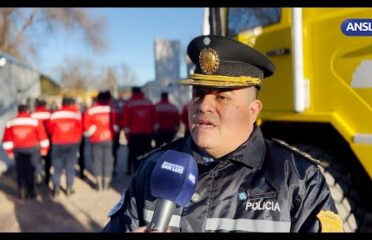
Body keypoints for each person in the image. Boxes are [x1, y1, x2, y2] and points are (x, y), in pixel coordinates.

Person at [103, 35, 342, 232]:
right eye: (198, 94)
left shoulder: (298, 180)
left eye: (222, 97)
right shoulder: (153, 167)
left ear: (253, 111)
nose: (203, 106)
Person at [2, 104, 49, 200]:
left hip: (18, 149)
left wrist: (9, 152)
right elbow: (43, 137)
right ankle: (30, 191)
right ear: (28, 111)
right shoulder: (35, 122)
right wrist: (44, 149)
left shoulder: (11, 122)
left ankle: (21, 192)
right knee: (30, 170)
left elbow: (7, 139)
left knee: (20, 170)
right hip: (32, 149)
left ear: (18, 111)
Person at [48, 97, 82, 197]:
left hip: (57, 143)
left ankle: (56, 189)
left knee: (57, 168)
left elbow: (50, 129)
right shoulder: (76, 114)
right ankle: (69, 189)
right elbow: (80, 128)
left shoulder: (54, 114)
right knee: (70, 167)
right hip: (72, 143)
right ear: (71, 104)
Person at [83, 90, 117, 191]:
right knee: (108, 161)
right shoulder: (112, 109)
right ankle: (106, 184)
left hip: (96, 139)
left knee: (96, 160)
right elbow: (116, 125)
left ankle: (98, 184)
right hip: (109, 138)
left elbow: (86, 127)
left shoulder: (91, 110)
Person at [122, 86, 155, 175]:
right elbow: (154, 118)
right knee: (146, 153)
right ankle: (145, 170)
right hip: (147, 133)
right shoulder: (148, 102)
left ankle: (133, 171)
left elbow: (126, 121)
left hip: (134, 134)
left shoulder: (129, 103)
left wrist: (127, 135)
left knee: (133, 153)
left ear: (132, 92)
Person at [31, 99, 52, 185]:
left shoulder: (32, 115)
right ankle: (47, 177)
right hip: (48, 138)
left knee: (37, 159)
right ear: (45, 105)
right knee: (48, 159)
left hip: (36, 140)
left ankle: (38, 174)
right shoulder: (49, 114)